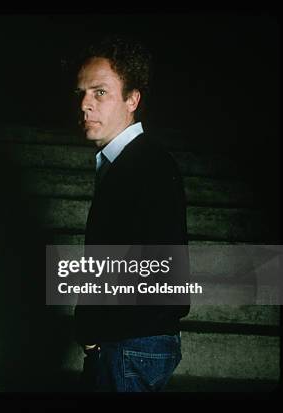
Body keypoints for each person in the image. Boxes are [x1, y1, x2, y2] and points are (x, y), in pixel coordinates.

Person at [72, 35, 190, 392]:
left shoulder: (146, 165)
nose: (85, 105)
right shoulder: (125, 162)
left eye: (100, 92)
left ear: (132, 99)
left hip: (131, 345)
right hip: (130, 342)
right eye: (81, 94)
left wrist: (96, 330)